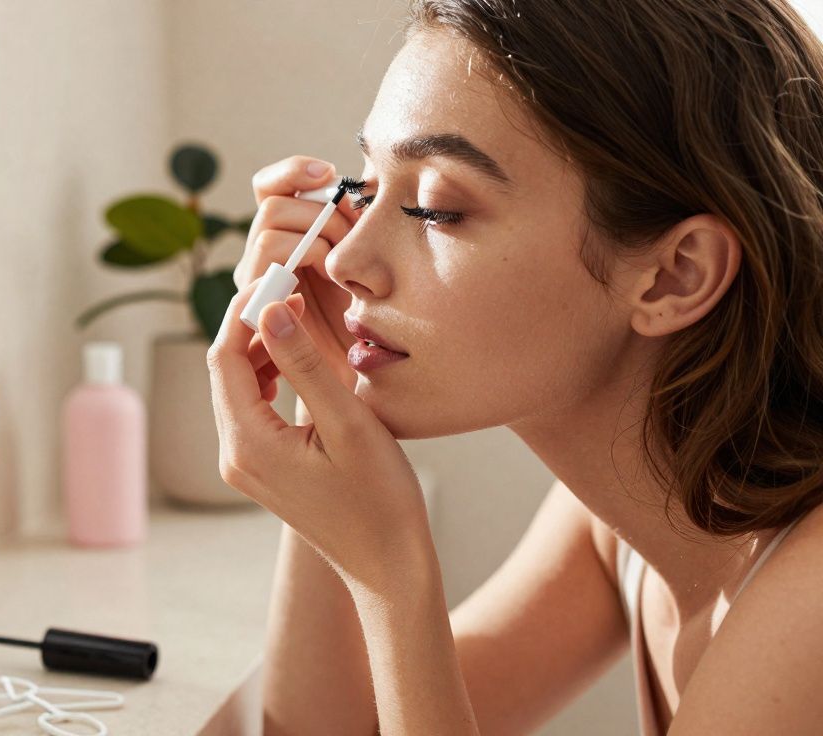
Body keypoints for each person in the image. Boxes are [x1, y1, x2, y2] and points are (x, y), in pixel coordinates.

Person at [207, 1, 823, 733]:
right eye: (364, 189)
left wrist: (390, 573)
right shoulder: (637, 519)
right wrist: (325, 403)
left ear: (675, 276)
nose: (344, 261)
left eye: (436, 209)